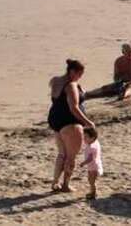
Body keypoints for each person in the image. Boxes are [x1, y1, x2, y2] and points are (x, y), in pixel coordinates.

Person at [48, 59, 95, 193]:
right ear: (72, 71)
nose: (80, 77)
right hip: (70, 122)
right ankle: (66, 184)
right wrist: (88, 122)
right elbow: (73, 107)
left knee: (62, 153)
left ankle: (55, 182)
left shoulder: (54, 81)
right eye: (79, 74)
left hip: (55, 120)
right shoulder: (71, 85)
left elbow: (57, 98)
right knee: (71, 156)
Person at [79, 127, 103, 199]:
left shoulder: (92, 147)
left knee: (92, 181)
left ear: (92, 138)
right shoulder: (94, 143)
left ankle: (93, 194)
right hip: (92, 166)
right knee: (90, 179)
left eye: (86, 137)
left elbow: (90, 158)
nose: (84, 139)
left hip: (93, 166)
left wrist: (83, 163)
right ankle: (92, 192)